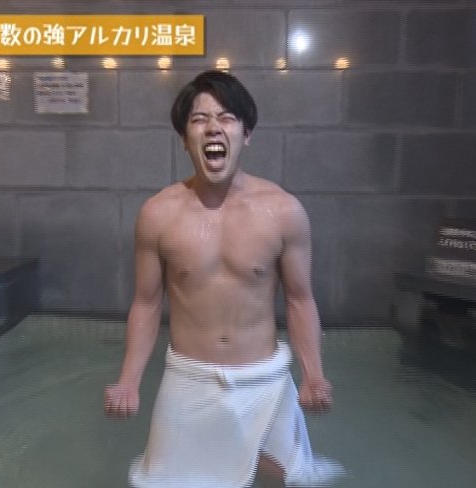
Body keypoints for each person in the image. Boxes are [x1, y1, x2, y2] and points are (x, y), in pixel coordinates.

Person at [104, 70, 344, 488]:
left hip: (265, 379)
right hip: (189, 379)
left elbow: (300, 299)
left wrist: (314, 374)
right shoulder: (158, 215)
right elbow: (146, 303)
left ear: (246, 134)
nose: (213, 127)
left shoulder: (283, 211)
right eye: (199, 119)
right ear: (184, 139)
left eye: (227, 117)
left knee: (280, 478)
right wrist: (129, 380)